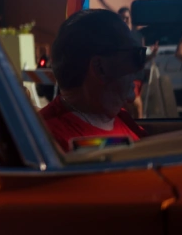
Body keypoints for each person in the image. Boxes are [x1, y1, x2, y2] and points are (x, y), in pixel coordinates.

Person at [39, 9, 147, 151]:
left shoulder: (119, 116)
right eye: (134, 56)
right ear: (100, 68)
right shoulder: (50, 141)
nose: (140, 67)